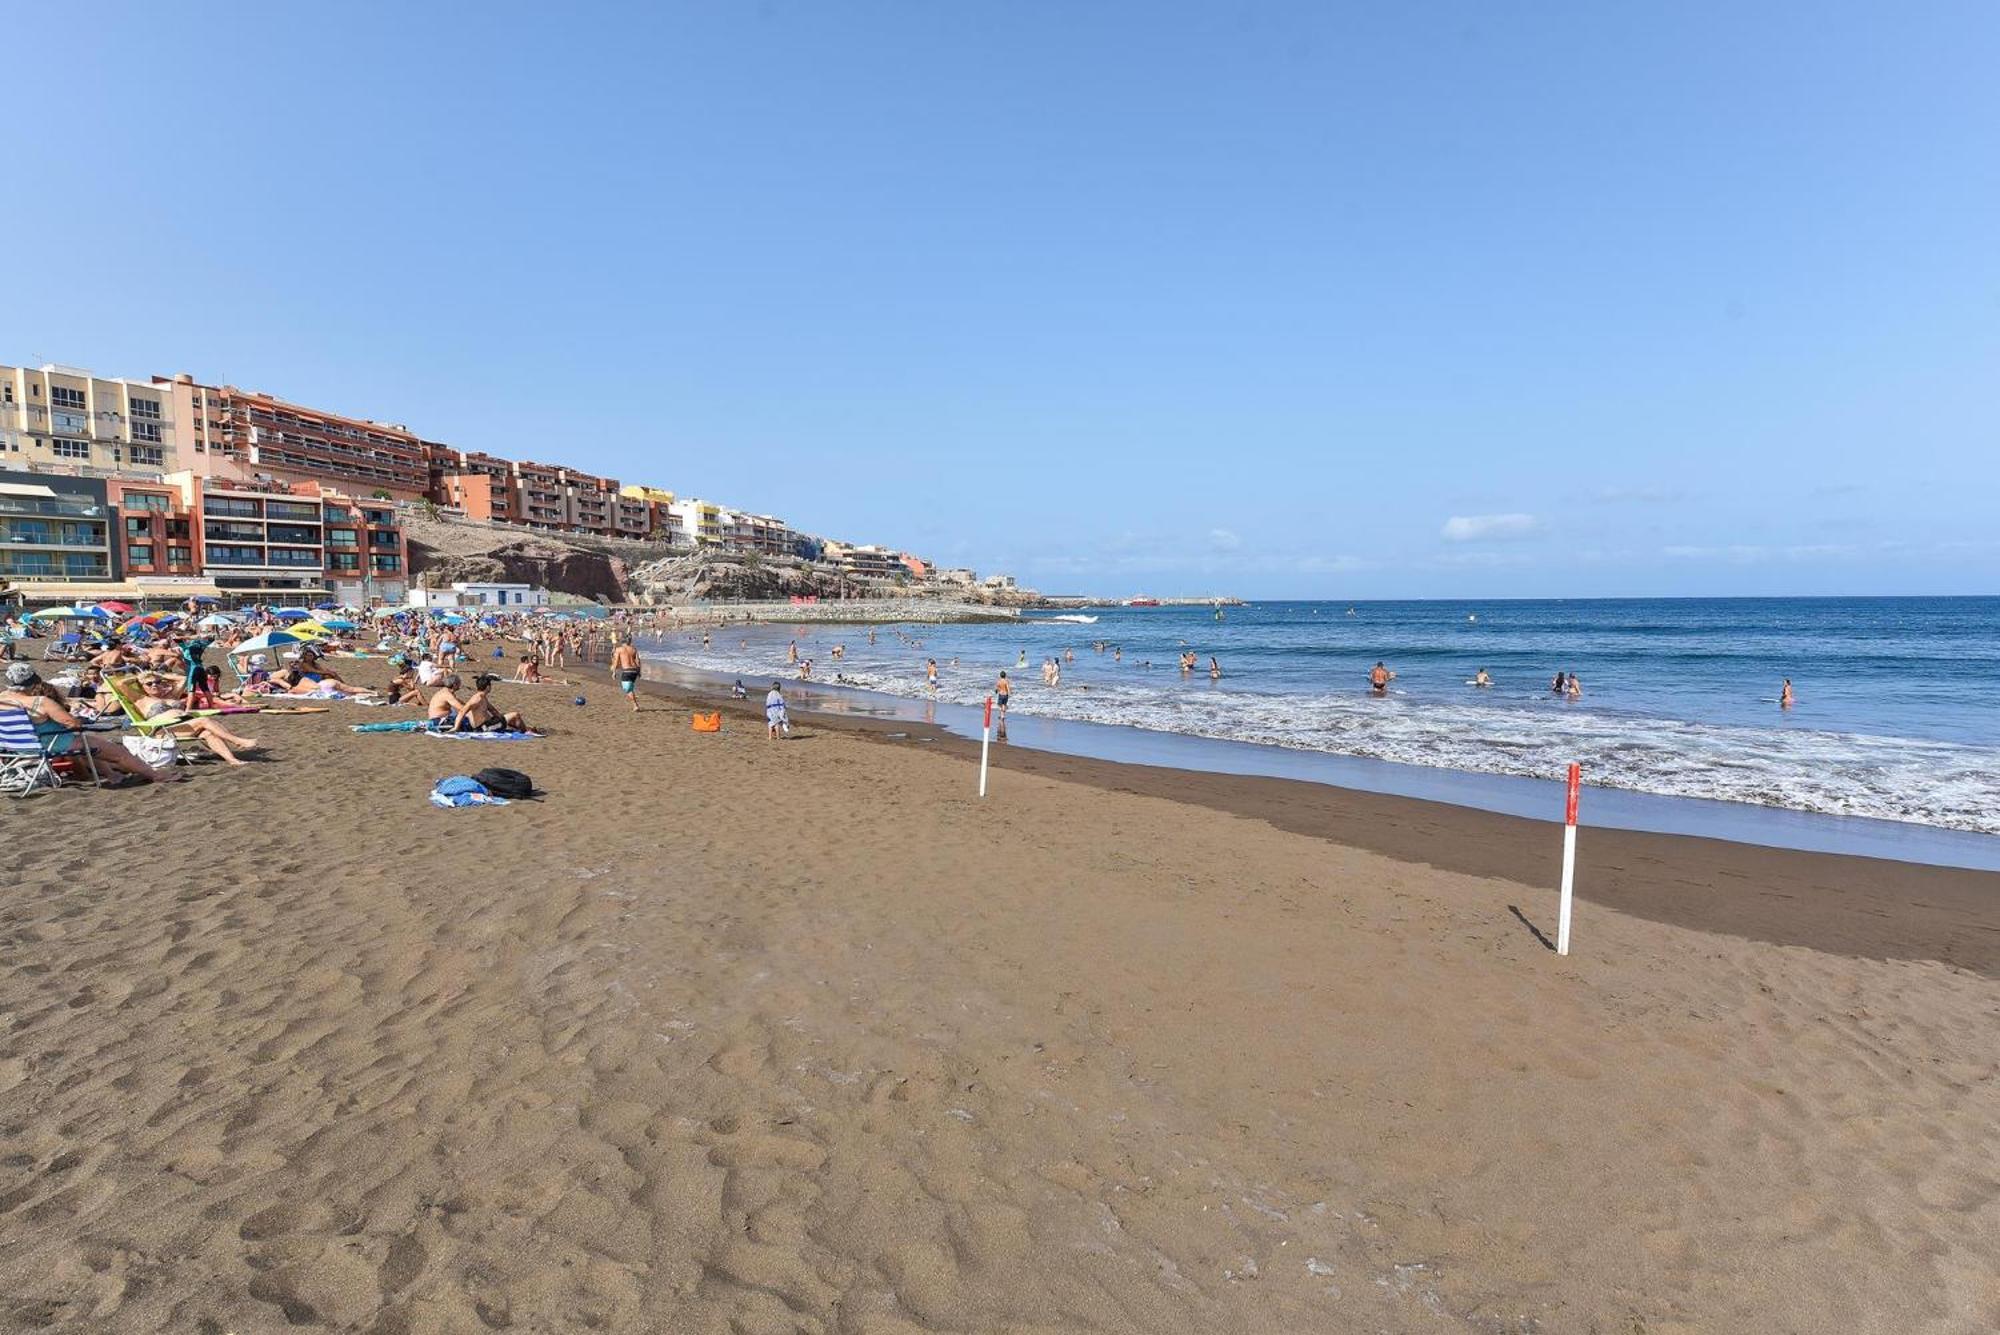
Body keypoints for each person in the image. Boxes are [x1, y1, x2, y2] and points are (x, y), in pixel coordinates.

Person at [1, 664, 182, 784]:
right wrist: (77, 720)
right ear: (32, 683)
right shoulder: (39, 701)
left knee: (89, 743)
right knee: (116, 751)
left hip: (15, 747)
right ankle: (156, 775)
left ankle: (112, 775)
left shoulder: (3, 700)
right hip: (49, 743)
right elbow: (70, 723)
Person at [132, 675, 262, 765]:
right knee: (204, 720)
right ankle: (238, 741)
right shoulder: (141, 700)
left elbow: (183, 679)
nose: (154, 685)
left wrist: (157, 675)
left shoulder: (171, 695)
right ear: (142, 686)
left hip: (185, 725)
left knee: (208, 733)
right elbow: (120, 684)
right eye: (149, 684)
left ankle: (233, 760)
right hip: (163, 730)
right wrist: (139, 678)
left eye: (158, 682)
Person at [455, 673, 529, 733]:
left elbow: (493, 710)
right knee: (515, 715)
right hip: (484, 728)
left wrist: (502, 719)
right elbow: (462, 712)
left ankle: (523, 728)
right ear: (488, 687)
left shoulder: (482, 697)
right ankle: (526, 732)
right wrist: (455, 728)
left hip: (489, 724)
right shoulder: (477, 699)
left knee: (507, 718)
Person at [610, 637, 642, 712]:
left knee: (627, 689)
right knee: (630, 687)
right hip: (634, 671)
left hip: (627, 671)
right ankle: (634, 699)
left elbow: (616, 661)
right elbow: (638, 661)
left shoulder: (619, 649)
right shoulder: (633, 649)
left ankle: (635, 705)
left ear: (621, 642)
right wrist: (639, 672)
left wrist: (614, 672)